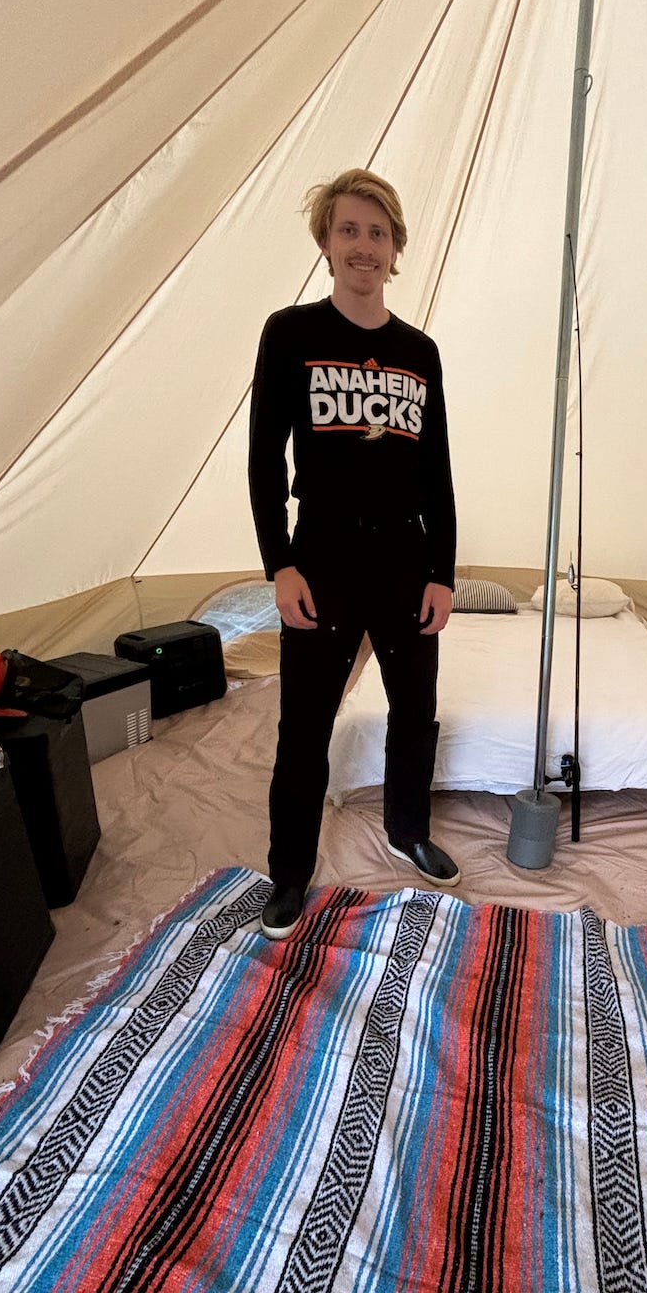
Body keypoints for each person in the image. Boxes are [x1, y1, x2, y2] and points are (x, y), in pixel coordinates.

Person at [248, 168, 459, 939]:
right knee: (303, 724)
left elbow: (436, 471)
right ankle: (289, 873)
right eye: (349, 231)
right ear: (327, 244)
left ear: (395, 247)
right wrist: (281, 564)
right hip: (324, 556)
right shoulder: (291, 332)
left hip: (405, 556)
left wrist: (443, 572)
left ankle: (408, 831)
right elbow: (265, 459)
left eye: (377, 232)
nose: (363, 246)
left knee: (417, 712)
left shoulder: (419, 351)